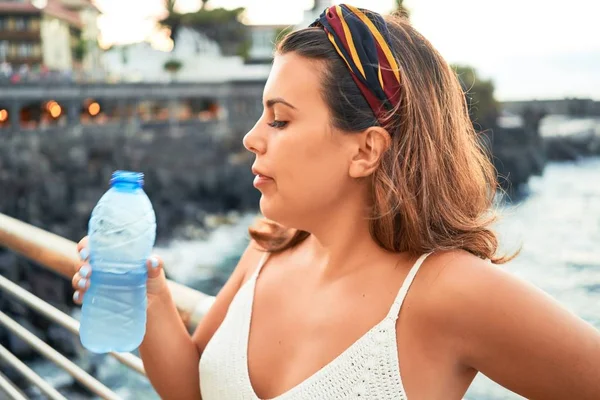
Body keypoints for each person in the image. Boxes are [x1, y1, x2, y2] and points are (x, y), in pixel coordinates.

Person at [72, 4, 600, 399]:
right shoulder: (268, 250)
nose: (251, 138)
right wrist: (153, 296)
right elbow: (192, 388)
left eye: (279, 119)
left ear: (367, 149)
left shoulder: (448, 291)